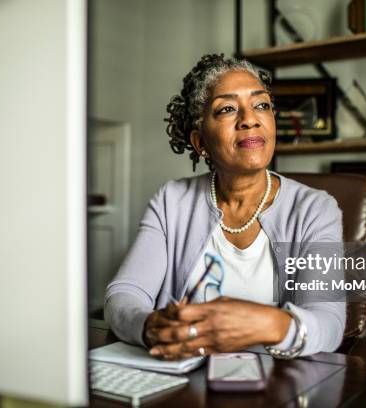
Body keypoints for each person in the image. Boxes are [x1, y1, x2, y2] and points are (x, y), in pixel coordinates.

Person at [105, 54, 345, 360]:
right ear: (200, 141)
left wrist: (266, 323)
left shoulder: (315, 209)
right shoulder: (171, 201)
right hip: (182, 381)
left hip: (282, 383)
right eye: (227, 109)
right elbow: (123, 295)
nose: (249, 118)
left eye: (261, 105)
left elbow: (330, 324)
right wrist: (150, 326)